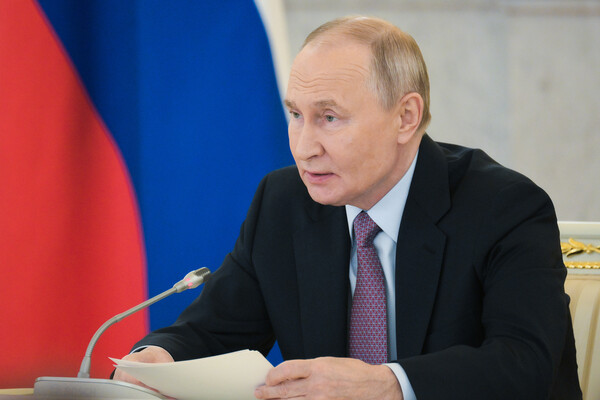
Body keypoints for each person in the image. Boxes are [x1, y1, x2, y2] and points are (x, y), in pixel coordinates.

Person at [114, 16, 581, 399]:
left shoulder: (504, 207)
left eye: (329, 117)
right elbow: (213, 333)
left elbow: (524, 366)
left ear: (406, 117)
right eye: (295, 115)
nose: (304, 147)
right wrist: (158, 359)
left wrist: (388, 385)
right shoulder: (283, 203)